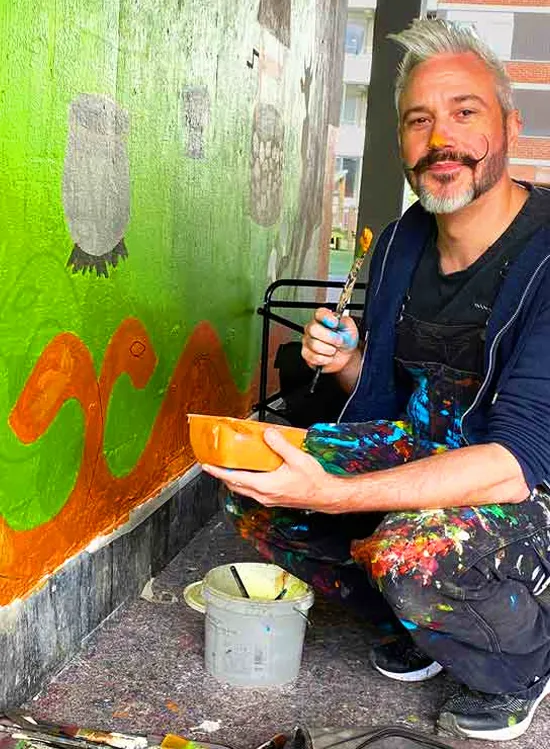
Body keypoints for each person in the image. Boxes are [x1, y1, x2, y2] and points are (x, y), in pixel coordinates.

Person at [202, 19, 550, 741]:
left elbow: (517, 462)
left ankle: (521, 661)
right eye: (420, 120)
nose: (441, 138)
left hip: (524, 489)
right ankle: (418, 624)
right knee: (255, 477)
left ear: (510, 125)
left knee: (408, 553)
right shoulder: (398, 243)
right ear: (402, 142)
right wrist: (347, 363)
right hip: (424, 455)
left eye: (465, 111)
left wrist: (334, 494)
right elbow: (386, 407)